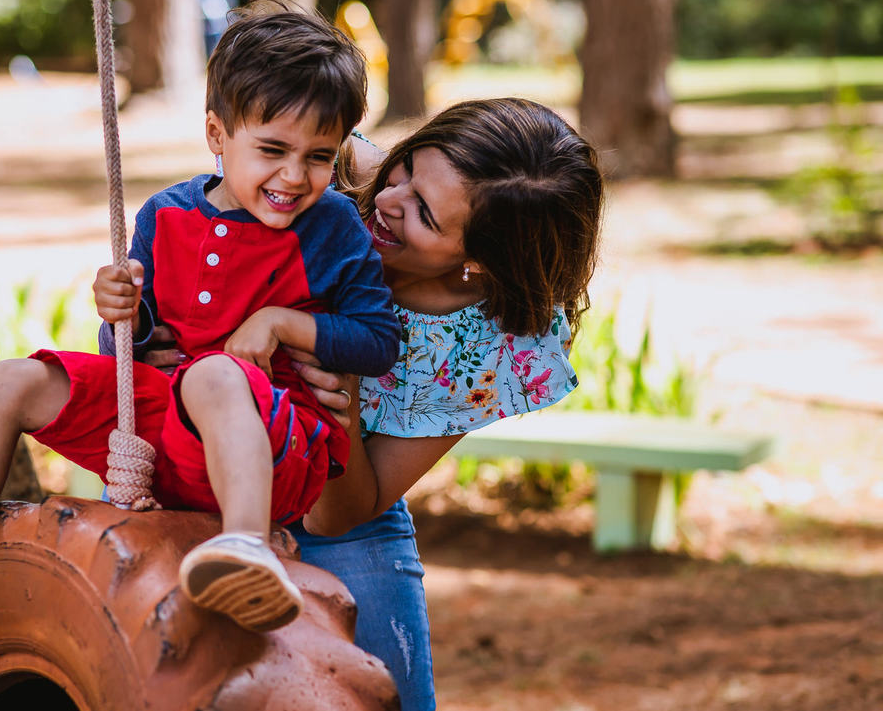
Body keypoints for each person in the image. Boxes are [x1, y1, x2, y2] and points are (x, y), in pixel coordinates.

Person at [0, 7, 400, 637]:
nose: (294, 176)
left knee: (216, 376)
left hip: (276, 446)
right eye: (272, 149)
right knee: (11, 380)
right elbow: (132, 353)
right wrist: (124, 317)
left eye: (318, 157)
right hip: (162, 429)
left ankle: (247, 551)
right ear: (217, 134)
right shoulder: (166, 214)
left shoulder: (332, 226)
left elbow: (378, 340)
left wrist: (284, 324)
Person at [130, 98, 604, 709]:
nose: (388, 200)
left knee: (386, 695)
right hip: (191, 462)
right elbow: (250, 101)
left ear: (479, 260)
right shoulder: (332, 170)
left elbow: (340, 515)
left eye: (424, 215)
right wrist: (142, 330)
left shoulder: (497, 344)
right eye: (406, 168)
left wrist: (339, 396)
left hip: (335, 511)